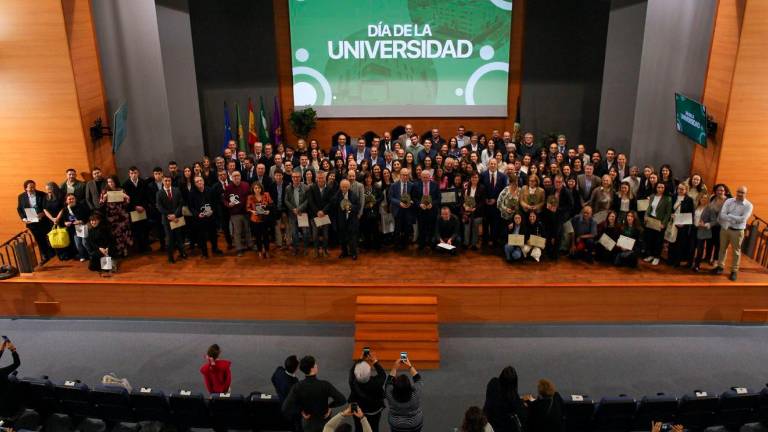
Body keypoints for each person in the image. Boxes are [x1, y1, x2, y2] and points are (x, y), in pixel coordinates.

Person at [282, 355, 347, 432]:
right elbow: (342, 400)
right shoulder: (325, 385)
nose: (317, 365)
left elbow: (285, 408)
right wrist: (329, 406)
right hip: (324, 422)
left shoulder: (297, 387)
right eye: (315, 364)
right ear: (312, 369)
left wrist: (300, 411)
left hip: (308, 424)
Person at [712, 186, 753, 281]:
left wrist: (729, 215)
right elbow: (722, 215)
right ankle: (720, 267)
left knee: (736, 252)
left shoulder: (749, 205)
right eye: (738, 192)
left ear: (745, 194)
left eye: (742, 192)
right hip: (725, 229)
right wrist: (735, 218)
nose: (739, 194)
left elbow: (743, 219)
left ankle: (734, 271)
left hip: (737, 231)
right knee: (722, 249)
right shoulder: (729, 201)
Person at [17, 180, 55, 262]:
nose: (33, 189)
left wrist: (43, 214)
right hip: (32, 223)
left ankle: (53, 253)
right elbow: (19, 209)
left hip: (44, 221)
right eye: (30, 187)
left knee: (48, 237)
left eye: (34, 187)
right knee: (39, 239)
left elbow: (48, 206)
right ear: (26, 188)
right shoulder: (21, 196)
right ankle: (45, 256)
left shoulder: (42, 194)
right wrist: (24, 219)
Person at [348, 351, 386, 432]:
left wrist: (360, 359)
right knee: (374, 427)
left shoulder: (353, 382)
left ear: (355, 374)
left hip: (359, 411)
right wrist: (374, 361)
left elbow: (351, 372)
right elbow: (383, 374)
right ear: (369, 373)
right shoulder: (377, 382)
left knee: (358, 428)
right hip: (375, 411)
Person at [385, 358, 424, 432]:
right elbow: (418, 379)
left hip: (396, 425)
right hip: (414, 424)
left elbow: (388, 382)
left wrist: (394, 368)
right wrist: (409, 366)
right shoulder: (416, 393)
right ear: (409, 386)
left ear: (394, 387)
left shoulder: (389, 393)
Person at [188, 176, 223, 258]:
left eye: (200, 180)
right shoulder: (192, 193)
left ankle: (215, 248)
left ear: (203, 181)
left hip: (211, 216)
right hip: (200, 218)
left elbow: (215, 202)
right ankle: (204, 253)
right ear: (195, 184)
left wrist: (212, 211)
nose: (199, 182)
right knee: (202, 236)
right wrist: (198, 214)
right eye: (197, 181)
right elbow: (191, 207)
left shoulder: (210, 190)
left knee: (213, 234)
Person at [483, 366, 527, 432]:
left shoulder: (493, 383)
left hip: (489, 419)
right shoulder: (512, 398)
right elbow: (522, 414)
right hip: (503, 427)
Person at [99, 176, 133, 257]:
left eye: (112, 182)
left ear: (115, 182)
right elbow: (100, 205)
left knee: (124, 232)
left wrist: (127, 198)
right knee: (115, 234)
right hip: (112, 217)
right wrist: (104, 199)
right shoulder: (104, 191)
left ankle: (125, 250)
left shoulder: (121, 190)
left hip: (122, 215)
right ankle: (118, 250)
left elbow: (126, 204)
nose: (110, 183)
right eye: (109, 182)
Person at [156, 174, 186, 263]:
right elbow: (159, 207)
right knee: (169, 239)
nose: (167, 182)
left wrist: (175, 215)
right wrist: (170, 215)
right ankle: (170, 257)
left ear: (171, 181)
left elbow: (180, 203)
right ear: (162, 181)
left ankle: (182, 253)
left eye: (169, 180)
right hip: (167, 219)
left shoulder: (176, 190)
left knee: (179, 237)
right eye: (165, 181)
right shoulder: (159, 193)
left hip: (177, 218)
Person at [122, 167, 151, 253]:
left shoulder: (143, 182)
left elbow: (147, 196)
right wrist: (135, 207)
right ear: (129, 174)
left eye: (135, 173)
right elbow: (126, 199)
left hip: (143, 209)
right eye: (131, 173)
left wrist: (143, 206)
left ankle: (146, 246)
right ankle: (140, 247)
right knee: (136, 230)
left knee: (145, 228)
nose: (134, 175)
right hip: (133, 210)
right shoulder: (125, 184)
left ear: (138, 173)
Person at [643, 183, 672, 266]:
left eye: (662, 187)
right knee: (650, 239)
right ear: (656, 188)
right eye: (658, 187)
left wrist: (663, 223)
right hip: (651, 220)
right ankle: (651, 255)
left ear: (665, 188)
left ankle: (657, 257)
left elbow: (668, 213)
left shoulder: (668, 199)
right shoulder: (652, 196)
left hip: (660, 222)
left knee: (658, 241)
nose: (660, 189)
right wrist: (646, 216)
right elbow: (649, 208)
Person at [667, 183, 695, 267]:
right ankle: (670, 259)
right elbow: (670, 209)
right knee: (671, 241)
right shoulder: (674, 197)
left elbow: (691, 214)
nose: (680, 190)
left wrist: (683, 224)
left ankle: (677, 261)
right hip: (673, 222)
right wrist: (671, 215)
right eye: (679, 188)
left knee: (679, 244)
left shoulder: (689, 200)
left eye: (682, 189)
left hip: (682, 225)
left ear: (686, 190)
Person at [413, 170, 440, 249]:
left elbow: (439, 198)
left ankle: (431, 243)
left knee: (431, 227)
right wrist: (419, 204)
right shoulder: (416, 185)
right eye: (423, 177)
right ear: (421, 177)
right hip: (421, 210)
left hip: (432, 210)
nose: (425, 179)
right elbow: (414, 198)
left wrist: (432, 204)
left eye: (426, 177)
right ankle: (422, 243)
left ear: (429, 177)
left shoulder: (435, 185)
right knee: (421, 228)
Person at [308, 171, 334, 257]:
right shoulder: (312, 188)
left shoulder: (329, 188)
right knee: (315, 235)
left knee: (325, 235)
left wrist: (323, 211)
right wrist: (317, 212)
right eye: (319, 178)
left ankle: (325, 250)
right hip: (314, 215)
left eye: (322, 178)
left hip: (325, 215)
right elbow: (311, 202)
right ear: (316, 178)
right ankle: (316, 250)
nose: (320, 179)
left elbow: (330, 202)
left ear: (325, 178)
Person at [335, 179, 361, 260]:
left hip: (351, 219)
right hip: (342, 219)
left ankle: (354, 253)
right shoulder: (338, 194)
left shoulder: (353, 195)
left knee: (352, 238)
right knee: (342, 237)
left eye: (346, 187)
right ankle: (344, 252)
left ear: (349, 187)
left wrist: (350, 206)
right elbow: (333, 202)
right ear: (340, 187)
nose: (344, 188)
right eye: (343, 187)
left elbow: (358, 206)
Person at [247, 182, 274, 258]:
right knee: (258, 236)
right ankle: (260, 251)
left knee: (266, 236)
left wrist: (268, 210)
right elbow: (248, 208)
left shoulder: (266, 194)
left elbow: (272, 205)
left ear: (261, 188)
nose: (257, 189)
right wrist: (253, 211)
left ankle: (267, 250)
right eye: (255, 188)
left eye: (259, 188)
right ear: (253, 189)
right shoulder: (250, 197)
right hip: (255, 220)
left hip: (265, 219)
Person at [286, 171, 310, 256]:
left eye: (298, 177)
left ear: (300, 178)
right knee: (294, 233)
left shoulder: (306, 187)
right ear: (292, 178)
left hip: (302, 213)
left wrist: (299, 209)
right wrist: (293, 209)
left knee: (305, 233)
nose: (296, 178)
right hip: (292, 214)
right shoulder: (288, 188)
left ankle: (306, 248)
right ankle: (296, 249)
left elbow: (308, 200)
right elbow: (286, 200)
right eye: (294, 177)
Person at [42, 182, 68, 260]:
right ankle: (59, 254)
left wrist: (57, 218)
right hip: (51, 220)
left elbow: (63, 208)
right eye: (47, 189)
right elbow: (44, 209)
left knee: (63, 236)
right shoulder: (45, 197)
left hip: (61, 219)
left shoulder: (60, 196)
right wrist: (52, 219)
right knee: (55, 236)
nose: (48, 191)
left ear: (54, 188)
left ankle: (66, 253)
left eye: (49, 189)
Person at [62, 193, 91, 262]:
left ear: (75, 199)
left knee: (85, 243)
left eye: (73, 198)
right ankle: (82, 256)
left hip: (83, 227)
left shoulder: (82, 206)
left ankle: (91, 255)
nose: (71, 200)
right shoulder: (65, 210)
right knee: (78, 244)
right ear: (66, 201)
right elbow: (64, 220)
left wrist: (81, 221)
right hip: (74, 229)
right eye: (69, 199)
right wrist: (66, 223)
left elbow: (88, 216)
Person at [390, 168, 415, 247]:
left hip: (408, 210)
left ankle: (405, 244)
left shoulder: (412, 185)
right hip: (398, 209)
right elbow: (391, 198)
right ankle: (397, 244)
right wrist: (399, 203)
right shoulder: (394, 185)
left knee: (407, 227)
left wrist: (411, 202)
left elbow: (414, 197)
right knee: (398, 228)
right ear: (400, 175)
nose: (405, 177)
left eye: (407, 175)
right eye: (403, 175)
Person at [463, 172, 486, 250]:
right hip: (468, 211)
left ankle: (474, 244)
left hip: (478, 212)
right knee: (467, 227)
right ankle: (466, 243)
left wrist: (475, 208)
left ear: (478, 179)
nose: (474, 179)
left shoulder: (482, 188)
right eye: (473, 177)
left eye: (476, 177)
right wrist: (465, 206)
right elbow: (464, 199)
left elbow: (483, 202)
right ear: (470, 178)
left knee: (475, 227)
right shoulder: (467, 187)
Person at [0, 338, 21, 405]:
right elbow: (17, 363)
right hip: (6, 399)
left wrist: (2, 349)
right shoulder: (2, 372)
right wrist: (13, 350)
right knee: (13, 379)